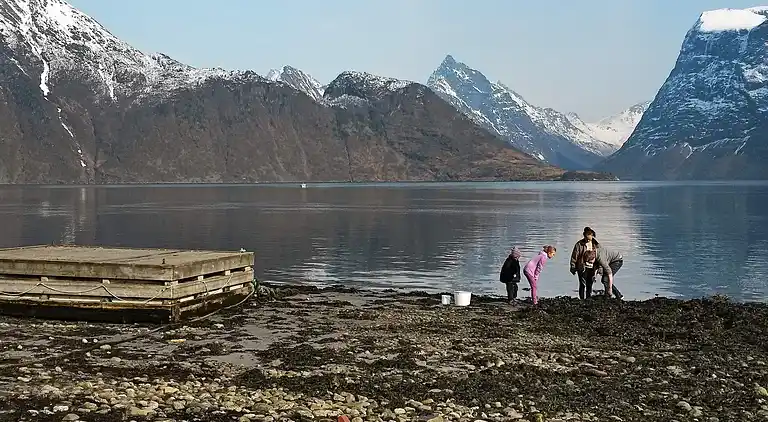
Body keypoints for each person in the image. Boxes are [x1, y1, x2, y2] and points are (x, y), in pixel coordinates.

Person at [570, 227, 599, 299]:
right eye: (586, 238)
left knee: (590, 284)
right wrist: (573, 267)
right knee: (582, 284)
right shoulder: (579, 244)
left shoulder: (596, 245)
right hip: (581, 266)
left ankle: (588, 298)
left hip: (592, 267)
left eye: (589, 238)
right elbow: (574, 256)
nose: (587, 240)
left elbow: (599, 257)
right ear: (584, 236)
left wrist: (599, 268)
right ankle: (582, 299)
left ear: (592, 236)